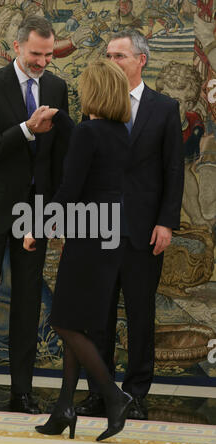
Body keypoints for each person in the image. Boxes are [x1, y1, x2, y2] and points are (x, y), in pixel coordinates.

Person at [0, 15, 69, 415]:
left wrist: (53, 209)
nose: (42, 61)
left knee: (27, 307)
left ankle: (22, 392)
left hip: (34, 215)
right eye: (36, 53)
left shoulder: (57, 87)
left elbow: (57, 156)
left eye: (48, 54)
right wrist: (25, 129)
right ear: (18, 47)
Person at [75, 29, 184, 420]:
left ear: (141, 60)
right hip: (98, 230)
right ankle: (100, 393)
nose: (111, 62)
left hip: (142, 232)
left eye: (119, 56)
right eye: (108, 55)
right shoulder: (94, 105)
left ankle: (136, 393)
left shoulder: (164, 108)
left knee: (140, 316)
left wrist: (166, 223)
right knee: (97, 318)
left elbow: (174, 170)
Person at [24, 59, 134, 442]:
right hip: (110, 237)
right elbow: (92, 144)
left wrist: (36, 226)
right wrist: (68, 123)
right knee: (76, 322)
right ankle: (65, 409)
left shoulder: (90, 134)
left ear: (94, 92)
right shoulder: (119, 131)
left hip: (87, 239)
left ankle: (113, 396)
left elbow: (70, 190)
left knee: (63, 322)